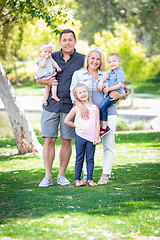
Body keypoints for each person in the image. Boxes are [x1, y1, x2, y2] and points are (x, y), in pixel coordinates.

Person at [70, 48, 129, 185]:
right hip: (87, 115)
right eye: (92, 58)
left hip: (109, 114)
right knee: (86, 146)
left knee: (108, 146)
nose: (95, 61)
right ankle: (86, 176)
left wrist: (120, 95)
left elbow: (122, 91)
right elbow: (72, 94)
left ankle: (105, 175)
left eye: (98, 59)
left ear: (101, 61)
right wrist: (82, 107)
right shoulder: (78, 74)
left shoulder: (109, 74)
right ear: (87, 59)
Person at [37, 29, 85, 187]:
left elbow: (95, 74)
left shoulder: (82, 59)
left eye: (70, 39)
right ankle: (48, 176)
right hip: (51, 104)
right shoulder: (51, 56)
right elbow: (38, 78)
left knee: (66, 141)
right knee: (49, 139)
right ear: (60, 42)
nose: (67, 42)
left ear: (75, 41)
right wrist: (47, 83)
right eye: (64, 40)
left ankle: (61, 175)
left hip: (70, 106)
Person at [64, 83, 100, 187]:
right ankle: (77, 179)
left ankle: (90, 179)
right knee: (79, 158)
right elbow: (67, 120)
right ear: (76, 96)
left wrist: (96, 137)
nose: (83, 94)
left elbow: (97, 124)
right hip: (80, 136)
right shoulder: (76, 108)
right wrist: (76, 126)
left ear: (88, 93)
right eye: (80, 93)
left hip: (91, 137)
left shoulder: (95, 108)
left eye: (84, 91)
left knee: (90, 159)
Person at [98, 53, 126, 137]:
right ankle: (103, 125)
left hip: (114, 94)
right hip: (110, 92)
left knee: (103, 107)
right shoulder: (112, 72)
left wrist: (109, 89)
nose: (112, 63)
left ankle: (104, 127)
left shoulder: (120, 72)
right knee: (103, 106)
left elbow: (120, 85)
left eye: (114, 61)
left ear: (120, 62)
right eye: (109, 62)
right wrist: (101, 82)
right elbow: (105, 76)